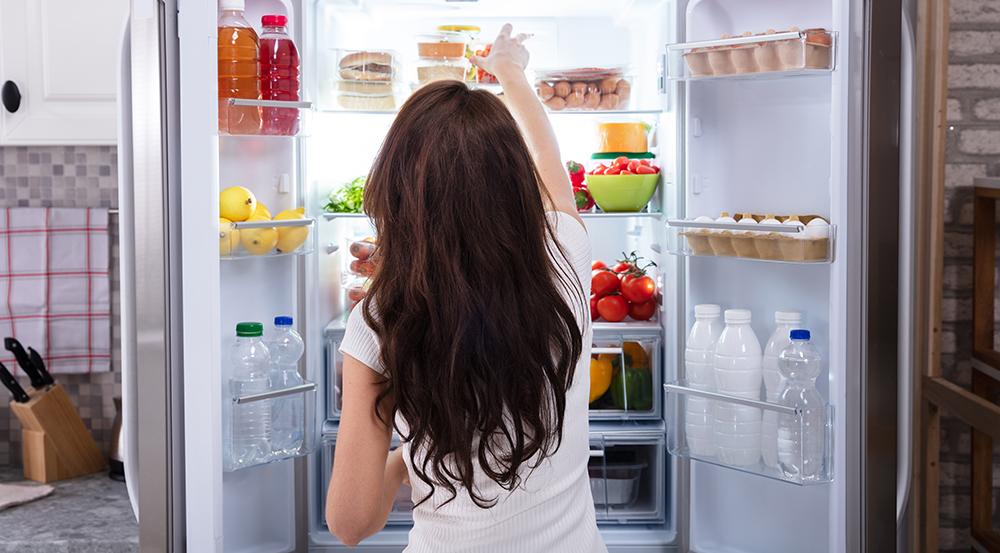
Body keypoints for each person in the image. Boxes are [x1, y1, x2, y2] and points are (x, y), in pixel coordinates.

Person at [325, 24, 605, 553]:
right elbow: (553, 179)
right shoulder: (565, 256)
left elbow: (350, 522)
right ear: (517, 186)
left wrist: (402, 462)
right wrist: (511, 72)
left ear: (396, 192)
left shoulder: (380, 320)